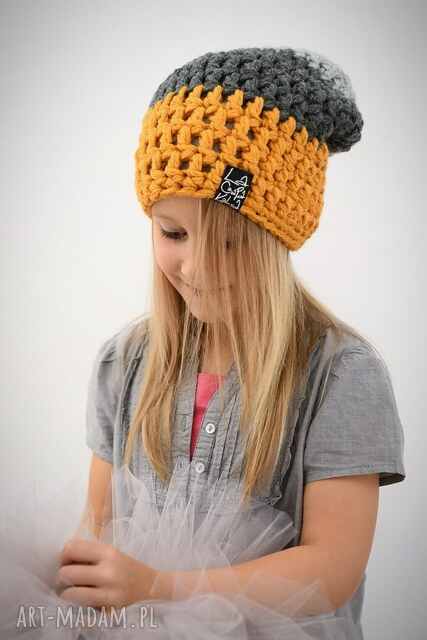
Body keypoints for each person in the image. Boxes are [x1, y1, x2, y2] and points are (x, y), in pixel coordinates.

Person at [0, 46, 406, 640]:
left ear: (276, 240)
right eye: (173, 233)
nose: (197, 267)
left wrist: (162, 588)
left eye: (230, 242)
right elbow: (100, 526)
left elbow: (332, 568)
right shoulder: (124, 363)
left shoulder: (341, 374)